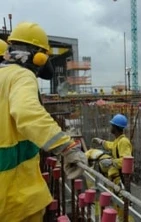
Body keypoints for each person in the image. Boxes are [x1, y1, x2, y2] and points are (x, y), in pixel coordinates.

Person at [0, 21, 87, 222]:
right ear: (38, 56)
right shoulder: (22, 76)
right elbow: (26, 112)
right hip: (15, 198)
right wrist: (66, 147)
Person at [92, 114, 133, 188]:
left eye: (112, 125)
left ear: (115, 127)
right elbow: (112, 145)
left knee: (121, 198)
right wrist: (101, 142)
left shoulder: (123, 142)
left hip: (121, 179)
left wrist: (111, 162)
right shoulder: (118, 140)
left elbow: (125, 162)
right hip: (116, 177)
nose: (110, 127)